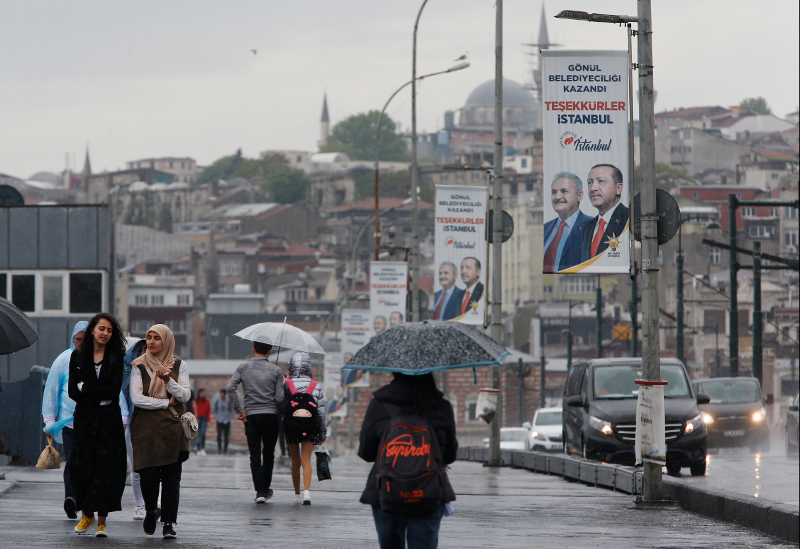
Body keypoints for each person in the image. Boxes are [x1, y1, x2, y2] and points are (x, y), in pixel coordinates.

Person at [358, 373, 458, 549]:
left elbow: (367, 453)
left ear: (395, 371)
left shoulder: (379, 404)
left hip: (387, 492)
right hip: (428, 492)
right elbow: (449, 456)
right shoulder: (441, 406)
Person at [67, 313, 128, 538]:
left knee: (107, 468)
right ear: (93, 329)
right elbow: (73, 390)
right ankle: (87, 514)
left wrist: (88, 390)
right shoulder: (78, 356)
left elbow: (113, 391)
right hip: (85, 419)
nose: (105, 333)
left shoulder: (116, 356)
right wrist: (92, 395)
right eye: (102, 328)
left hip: (109, 420)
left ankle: (102, 521)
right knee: (82, 465)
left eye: (110, 330)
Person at [130, 324, 191, 539]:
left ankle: (168, 522)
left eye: (157, 338)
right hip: (146, 429)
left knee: (172, 479)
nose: (152, 342)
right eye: (149, 337)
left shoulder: (179, 365)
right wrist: (165, 403)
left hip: (172, 429)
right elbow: (137, 399)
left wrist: (168, 381)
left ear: (166, 341)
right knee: (148, 475)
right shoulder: (138, 365)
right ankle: (150, 510)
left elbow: (184, 396)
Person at [227, 341, 285, 503]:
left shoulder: (243, 368)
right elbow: (280, 398)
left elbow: (230, 388)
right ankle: (265, 489)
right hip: (270, 416)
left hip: (251, 416)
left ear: (253, 350)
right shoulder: (276, 370)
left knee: (254, 454)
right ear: (270, 351)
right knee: (268, 453)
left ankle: (259, 490)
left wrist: (239, 410)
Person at [41, 320, 87, 519]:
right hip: (69, 423)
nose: (81, 343)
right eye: (78, 339)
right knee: (72, 461)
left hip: (93, 423)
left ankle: (84, 499)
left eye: (85, 340)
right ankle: (71, 497)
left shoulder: (98, 360)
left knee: (88, 463)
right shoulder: (63, 360)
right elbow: (52, 391)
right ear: (73, 339)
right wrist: (49, 420)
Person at [283, 352, 326, 505]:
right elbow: (320, 412)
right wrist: (322, 433)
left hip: (291, 426)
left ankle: (296, 493)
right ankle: (307, 493)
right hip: (311, 426)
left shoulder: (286, 384)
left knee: (295, 460)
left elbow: (281, 406)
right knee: (306, 459)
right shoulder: (316, 386)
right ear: (309, 367)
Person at [543, 172, 593, 272]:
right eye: (554, 192)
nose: (557, 197)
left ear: (579, 195)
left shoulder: (593, 226)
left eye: (564, 191)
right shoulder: (545, 228)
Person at [122, 338, 149, 520]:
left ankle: (155, 504)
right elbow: (120, 395)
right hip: (132, 423)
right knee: (136, 468)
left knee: (157, 467)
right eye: (142, 350)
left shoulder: (161, 371)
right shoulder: (128, 371)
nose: (145, 353)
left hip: (154, 424)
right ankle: (139, 505)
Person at [581, 163, 630, 261]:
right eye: (590, 182)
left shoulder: (630, 219)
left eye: (601, 181)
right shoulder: (588, 227)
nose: (593, 188)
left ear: (618, 188)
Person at [212, 388, 234, 454]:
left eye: (222, 394)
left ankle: (225, 450)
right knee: (219, 435)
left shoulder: (228, 401)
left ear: (225, 394)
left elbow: (232, 410)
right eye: (220, 394)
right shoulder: (217, 401)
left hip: (226, 420)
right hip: (219, 420)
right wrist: (216, 416)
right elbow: (214, 409)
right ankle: (219, 449)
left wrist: (230, 417)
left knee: (226, 435)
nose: (221, 395)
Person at [193, 388, 210, 455]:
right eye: (202, 393)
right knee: (197, 434)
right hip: (197, 418)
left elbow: (208, 410)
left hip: (204, 418)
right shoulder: (195, 400)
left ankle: (202, 448)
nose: (203, 394)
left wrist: (208, 419)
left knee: (203, 433)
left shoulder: (207, 401)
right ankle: (198, 448)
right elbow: (193, 408)